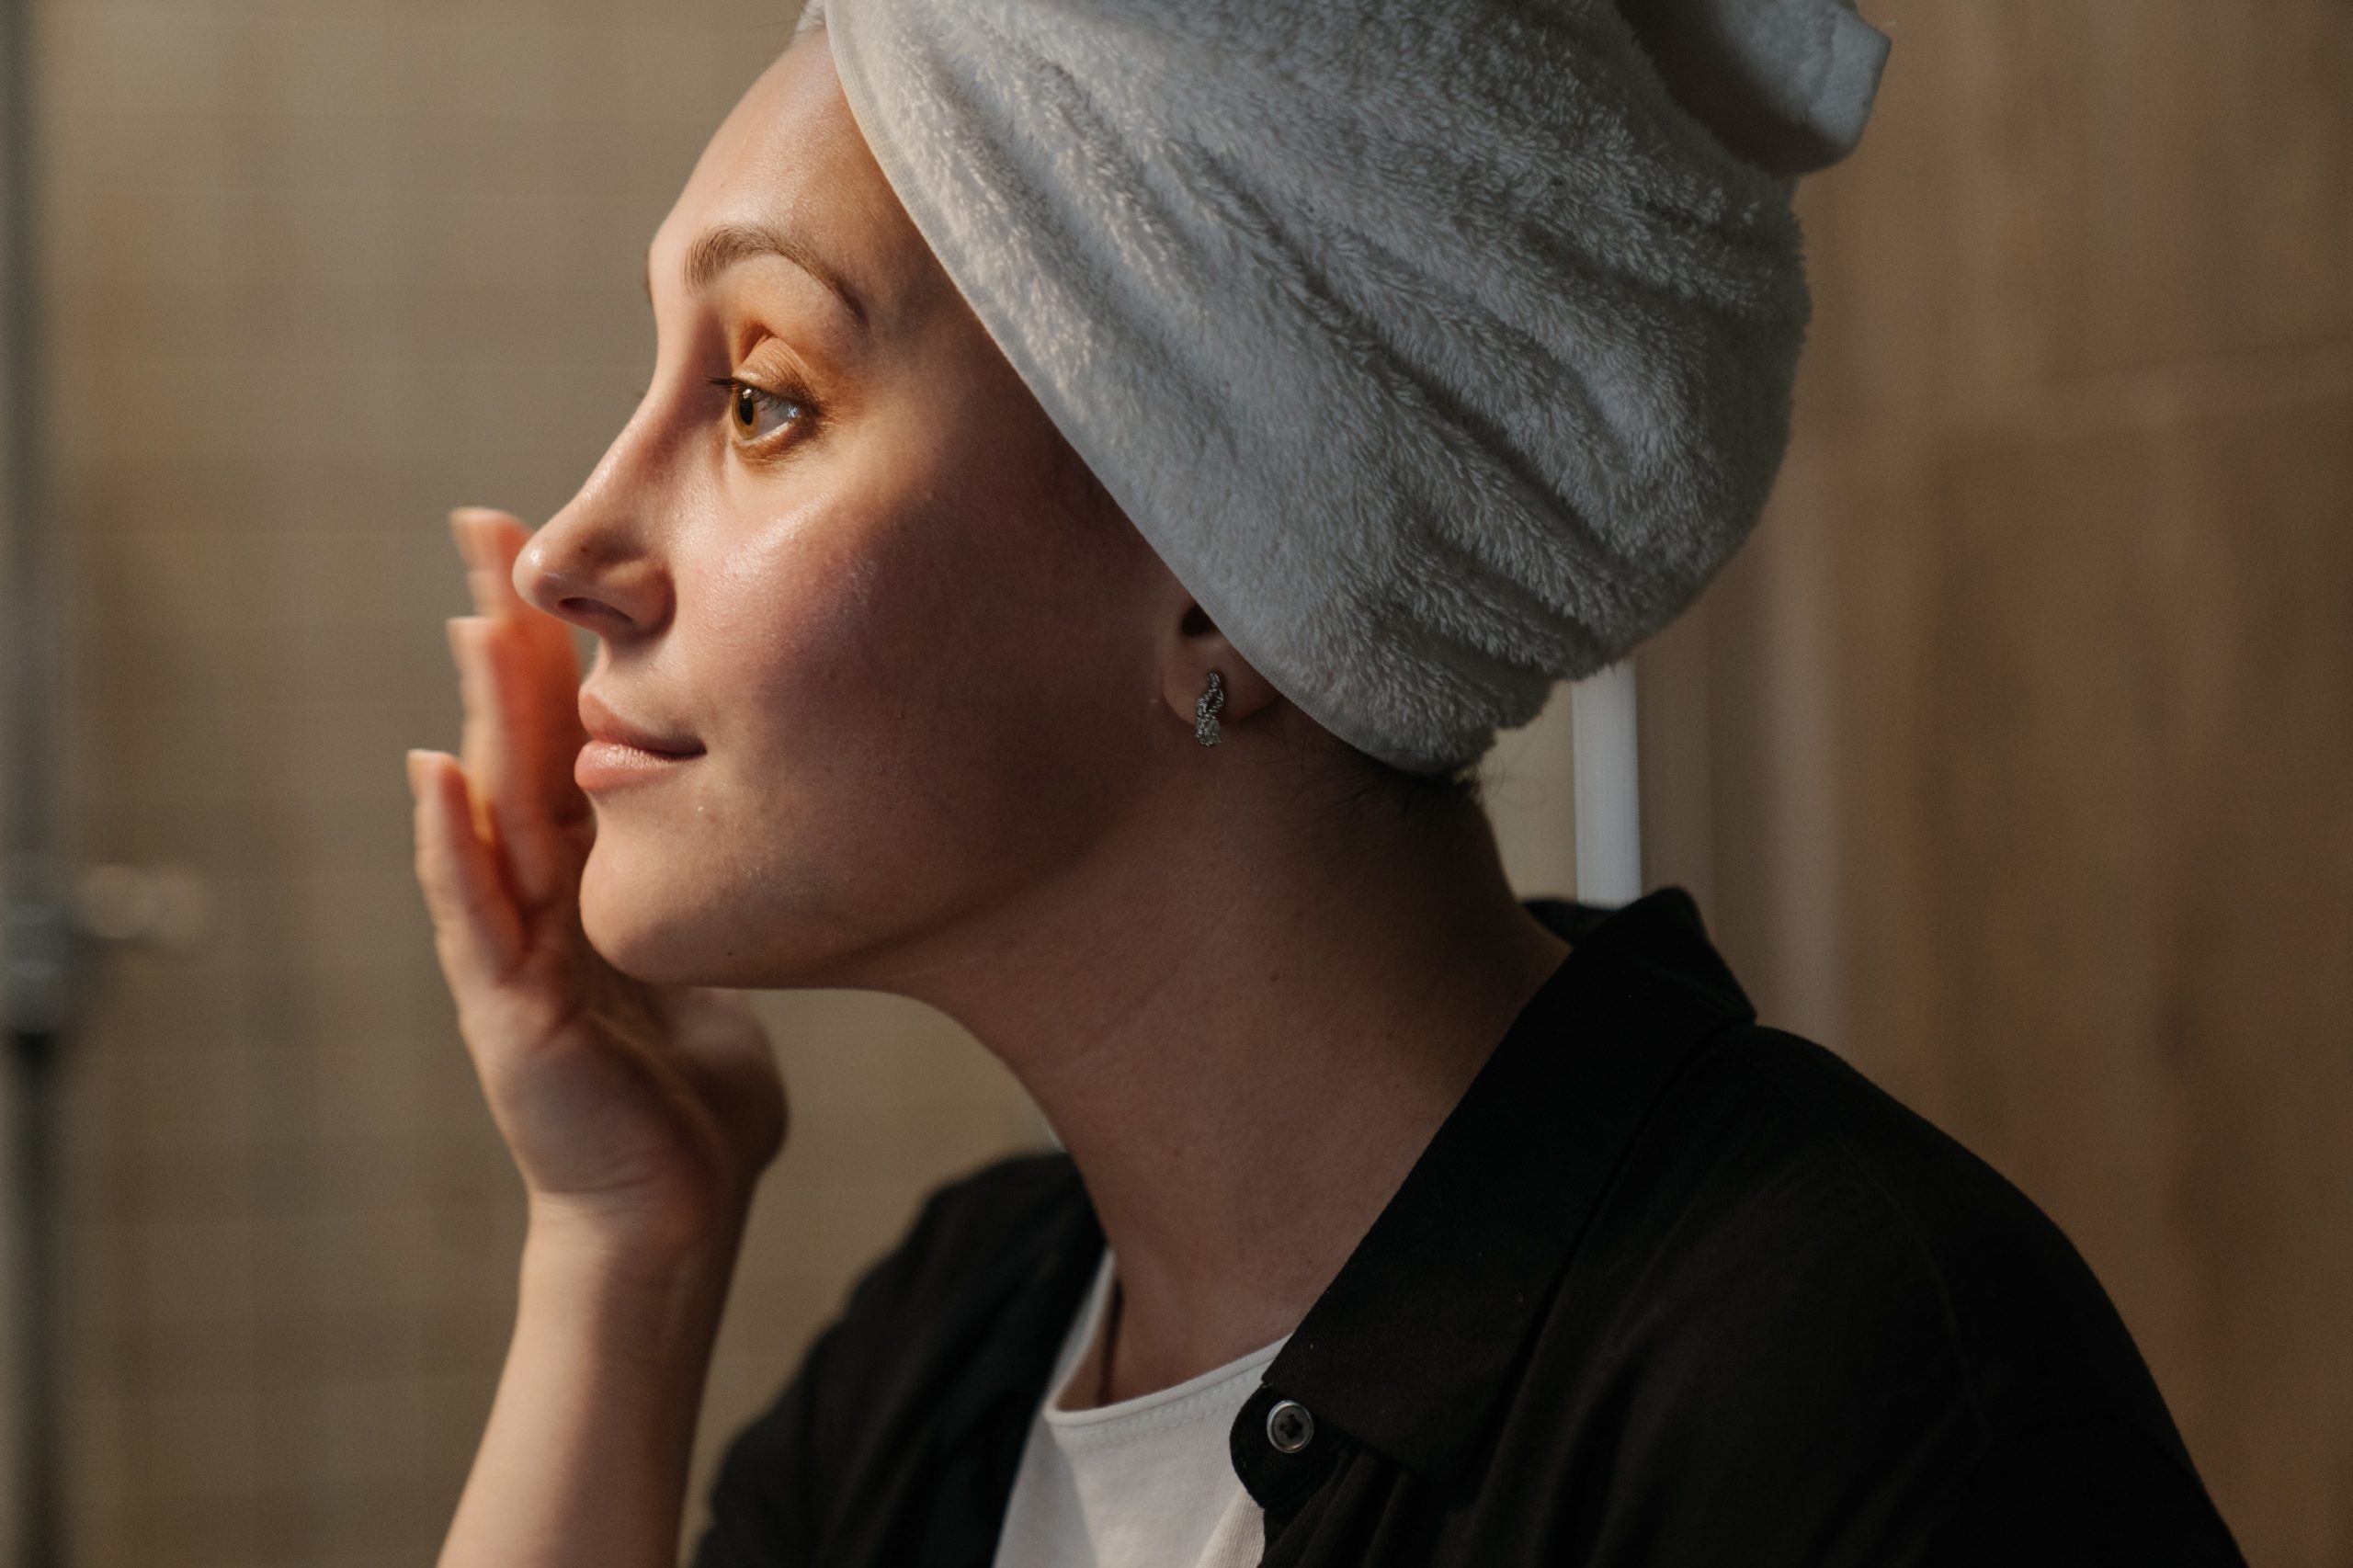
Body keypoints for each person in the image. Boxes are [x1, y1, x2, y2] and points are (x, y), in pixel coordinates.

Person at [407, 4, 2247, 1566]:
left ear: (1223, 573)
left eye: (760, 396)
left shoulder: (1839, 1392)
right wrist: (619, 1256)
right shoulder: (949, 1349)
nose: (568, 548)